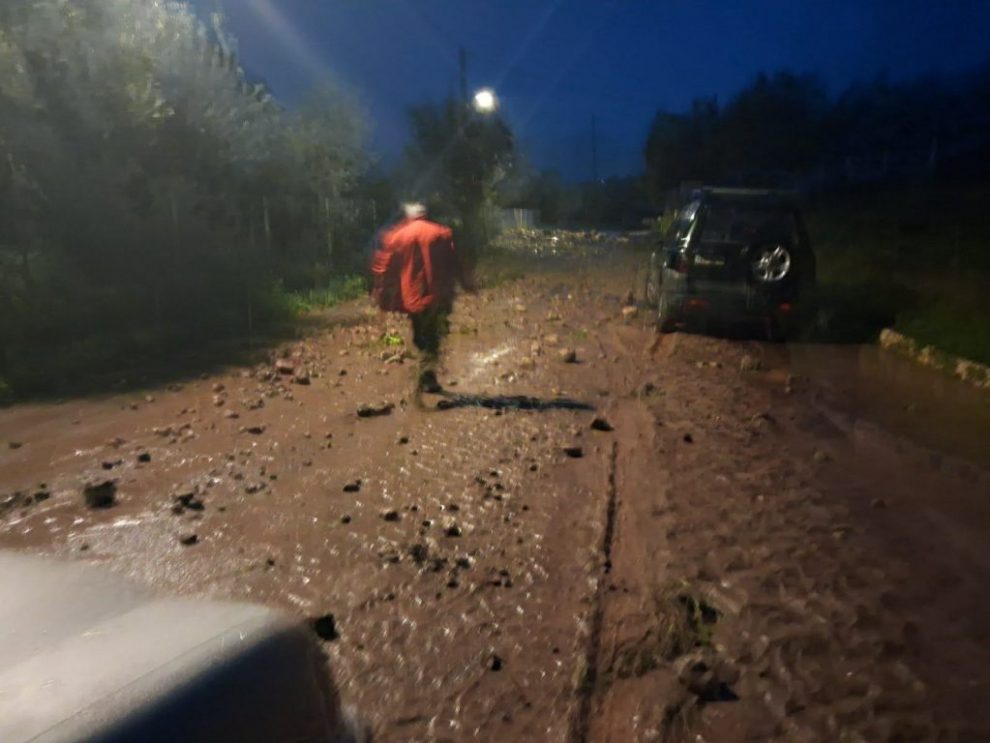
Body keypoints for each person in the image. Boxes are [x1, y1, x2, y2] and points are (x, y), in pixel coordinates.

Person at [370, 203, 473, 396]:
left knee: (420, 332)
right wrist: (466, 283)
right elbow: (455, 262)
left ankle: (425, 371)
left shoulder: (399, 235)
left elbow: (384, 266)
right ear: (425, 215)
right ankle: (428, 373)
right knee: (434, 332)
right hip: (440, 296)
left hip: (414, 298)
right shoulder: (442, 233)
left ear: (410, 216)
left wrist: (380, 290)